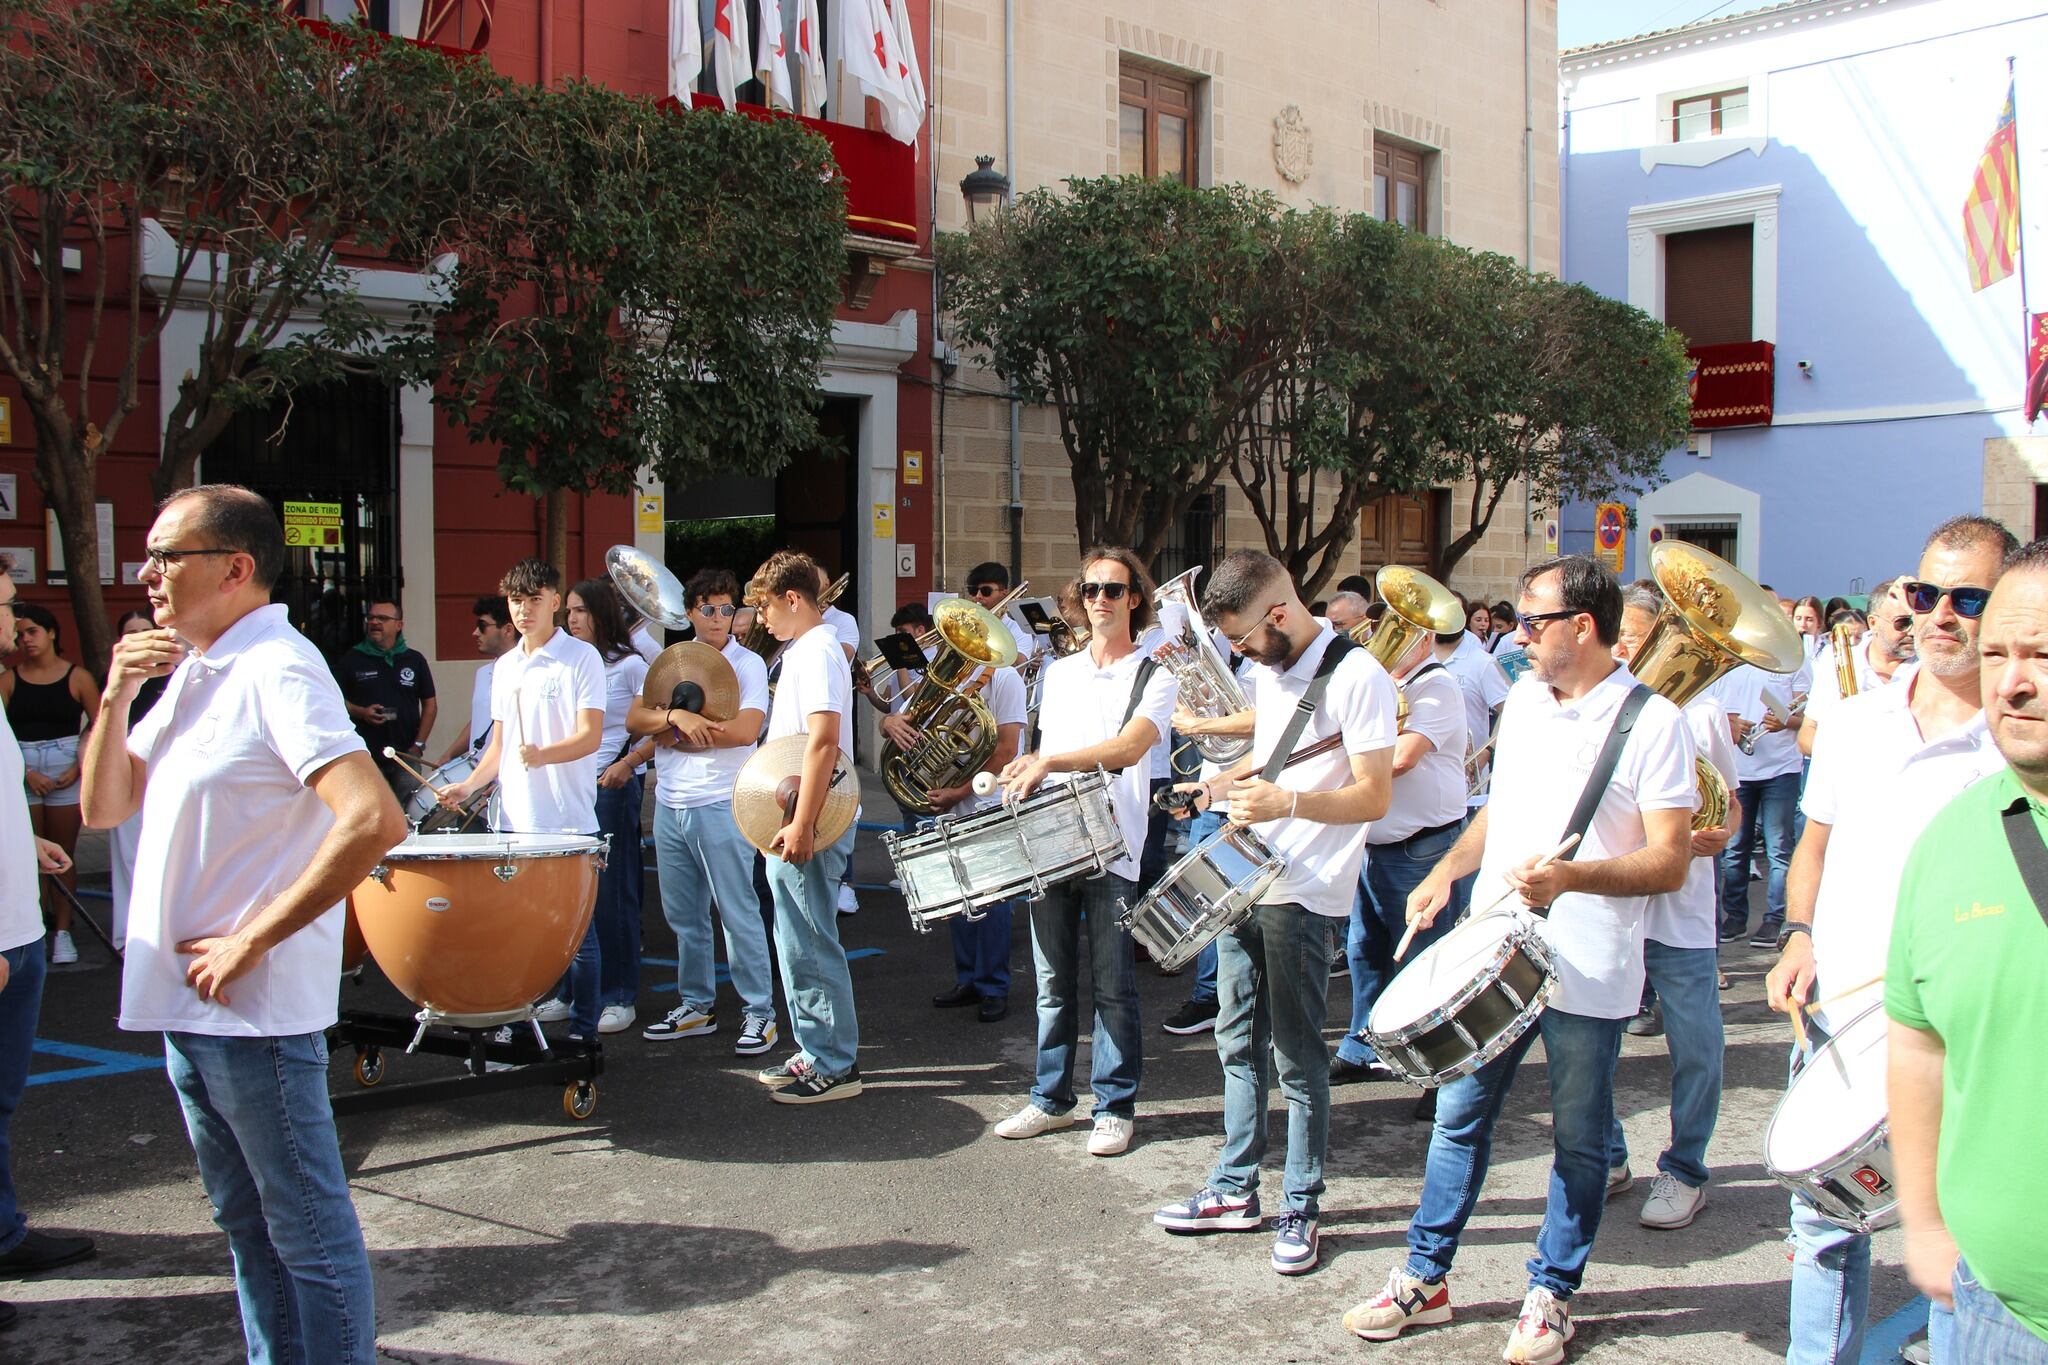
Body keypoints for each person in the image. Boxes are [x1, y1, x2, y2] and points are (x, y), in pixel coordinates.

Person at [80, 485, 406, 1363]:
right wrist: (116, 691)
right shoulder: (194, 669)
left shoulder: (277, 664)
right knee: (246, 1226)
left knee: (305, 1233)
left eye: (166, 556)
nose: (147, 574)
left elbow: (374, 818)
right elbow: (105, 804)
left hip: (252, 1014)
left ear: (235, 567)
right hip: (188, 1008)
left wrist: (252, 935)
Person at [1342, 555, 1694, 1362]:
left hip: (1591, 962)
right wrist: (1443, 871)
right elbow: (1501, 807)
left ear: (1583, 624)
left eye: (1534, 619)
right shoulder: (1528, 699)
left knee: (1578, 1138)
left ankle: (1550, 1292)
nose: (1520, 632)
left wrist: (1574, 876)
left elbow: (1671, 858)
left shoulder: (1655, 720)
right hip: (1498, 946)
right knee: (1459, 1119)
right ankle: (1424, 1277)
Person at [1764, 516, 2016, 1365]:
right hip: (1843, 1014)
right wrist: (1798, 934)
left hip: (1963, 1034)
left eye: (1968, 597)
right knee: (1826, 1220)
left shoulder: (2019, 739)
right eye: (1923, 594)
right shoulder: (1854, 722)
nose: (1939, 615)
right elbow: (1815, 844)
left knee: (1959, 1236)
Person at [1150, 550, 1396, 1276]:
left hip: (1306, 885)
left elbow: (1373, 796)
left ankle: (1301, 1200)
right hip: (1243, 871)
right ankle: (1234, 1188)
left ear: (1280, 614)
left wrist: (1288, 802)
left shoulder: (1360, 677)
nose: (1242, 653)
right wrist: (1215, 785)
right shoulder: (1271, 665)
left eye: (1246, 639)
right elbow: (1275, 752)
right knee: (1234, 1037)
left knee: (1296, 1053)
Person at [1888, 539, 2048, 1362]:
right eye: (1999, 656)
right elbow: (1919, 1044)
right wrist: (1925, 1222)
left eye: (2042, 654)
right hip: (1995, 1308)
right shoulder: (1949, 836)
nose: (2012, 682)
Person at [996, 546, 1175, 1156]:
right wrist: (1026, 768)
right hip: (1052, 836)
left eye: (1114, 590)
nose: (1101, 599)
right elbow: (1048, 749)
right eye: (1092, 588)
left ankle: (1115, 1105)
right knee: (1050, 980)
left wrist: (1049, 759)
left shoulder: (1157, 674)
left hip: (1114, 844)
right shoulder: (1060, 671)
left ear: (1135, 601)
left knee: (1113, 984)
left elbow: (1129, 750)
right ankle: (1050, 1099)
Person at [1608, 583, 1740, 1231]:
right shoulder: (1596, 706)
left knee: (1696, 1045)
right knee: (1591, 1038)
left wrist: (1720, 831)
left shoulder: (1703, 713)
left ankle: (1685, 1167)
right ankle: (1607, 1154)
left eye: (1636, 636)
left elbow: (1729, 800)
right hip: (1614, 902)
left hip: (1681, 906)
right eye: (1621, 636)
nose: (1627, 647)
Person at [438, 558, 607, 1041]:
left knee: (578, 937)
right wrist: (468, 786)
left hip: (568, 822)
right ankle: (513, 1020)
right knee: (513, 932)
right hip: (512, 820)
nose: (524, 609)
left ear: (555, 601)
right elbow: (498, 746)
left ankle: (583, 1032)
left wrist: (542, 754)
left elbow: (590, 737)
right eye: (517, 600)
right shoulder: (504, 666)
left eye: (535, 599)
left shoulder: (582, 658)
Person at [628, 569, 779, 1057]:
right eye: (709, 608)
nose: (719, 618)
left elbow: (746, 731)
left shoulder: (748, 663)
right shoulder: (674, 661)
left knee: (737, 912)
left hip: (721, 800)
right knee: (684, 916)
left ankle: (760, 1012)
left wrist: (675, 734)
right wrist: (676, 717)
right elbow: (636, 720)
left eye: (727, 608)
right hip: (671, 802)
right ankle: (697, 1005)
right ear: (690, 611)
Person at [0, 558, 94, 1317]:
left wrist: (20, 844)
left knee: (0, 1100)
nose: (16, 622)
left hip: (20, 925)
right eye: (4, 607)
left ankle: (2, 1232)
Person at [1330, 598, 1467, 1090]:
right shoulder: (1384, 687)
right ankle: (1362, 1046)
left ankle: (1440, 1071)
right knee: (1365, 950)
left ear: (1427, 639)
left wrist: (1344, 759)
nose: (1383, 640)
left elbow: (1404, 757)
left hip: (1420, 848)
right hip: (1372, 843)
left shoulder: (1437, 686)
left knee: (1424, 963)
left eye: (1403, 631)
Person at [748, 550, 864, 1103]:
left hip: (809, 818)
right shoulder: (806, 649)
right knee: (797, 938)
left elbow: (823, 741)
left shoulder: (816, 651)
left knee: (810, 942)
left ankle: (834, 1064)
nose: (762, 619)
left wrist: (802, 823)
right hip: (800, 813)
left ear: (792, 599)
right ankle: (815, 1047)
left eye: (767, 607)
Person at [885, 642, 1027, 1025]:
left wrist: (958, 792)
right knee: (958, 894)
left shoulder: (1006, 678)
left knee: (993, 897)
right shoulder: (945, 678)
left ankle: (994, 985)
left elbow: (1007, 748)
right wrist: (889, 723)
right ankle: (969, 979)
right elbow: (901, 719)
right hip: (950, 797)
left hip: (989, 798)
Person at [561, 579, 653, 1035]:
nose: (571, 619)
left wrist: (628, 763)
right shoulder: (571, 661)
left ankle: (618, 994)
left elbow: (654, 722)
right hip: (570, 787)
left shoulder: (631, 664)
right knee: (567, 891)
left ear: (600, 613)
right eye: (569, 612)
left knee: (612, 892)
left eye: (579, 611)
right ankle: (570, 990)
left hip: (610, 786)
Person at [0, 603, 100, 965]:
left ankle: (63, 929)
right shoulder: (8, 679)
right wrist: (26, 773)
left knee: (62, 852)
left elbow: (98, 721)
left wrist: (78, 766)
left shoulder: (77, 676)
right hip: (23, 768)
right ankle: (35, 926)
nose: (25, 639)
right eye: (21, 632)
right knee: (25, 851)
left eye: (33, 631)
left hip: (64, 766)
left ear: (52, 633)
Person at [1713, 649, 1811, 947]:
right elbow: (1714, 710)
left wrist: (1787, 721)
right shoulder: (1730, 658)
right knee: (1735, 848)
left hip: (1781, 768)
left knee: (1778, 849)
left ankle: (1774, 919)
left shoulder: (1795, 659)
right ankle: (1736, 917)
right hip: (1739, 769)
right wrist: (1731, 725)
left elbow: (1807, 716)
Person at [107, 609, 169, 952]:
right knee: (129, 855)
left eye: (146, 630)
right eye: (131, 633)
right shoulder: (115, 678)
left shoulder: (178, 675)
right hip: (129, 771)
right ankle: (126, 937)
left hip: (165, 771)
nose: (140, 638)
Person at [331, 598, 436, 798]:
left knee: (410, 812)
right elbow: (333, 699)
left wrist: (419, 745)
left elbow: (430, 705)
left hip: (405, 756)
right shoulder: (352, 659)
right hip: (366, 756)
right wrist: (361, 712)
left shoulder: (414, 660)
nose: (374, 622)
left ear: (399, 625)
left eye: (382, 618)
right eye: (371, 618)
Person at [1798, 578, 1911, 756]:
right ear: (1873, 623)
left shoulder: (1929, 666)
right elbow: (1807, 734)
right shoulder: (1837, 662)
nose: (1911, 631)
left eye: (1917, 621)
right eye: (1903, 623)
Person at [434, 596, 517, 766]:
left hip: (509, 778)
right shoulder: (483, 673)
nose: (475, 633)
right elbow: (481, 719)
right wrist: (448, 755)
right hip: (479, 776)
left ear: (508, 630)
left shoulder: (529, 674)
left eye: (482, 626)